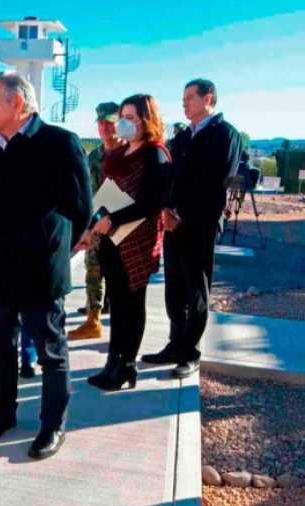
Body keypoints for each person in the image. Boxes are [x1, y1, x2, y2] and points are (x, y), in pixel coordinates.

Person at [0, 72, 91, 459]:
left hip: (40, 269)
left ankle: (52, 425)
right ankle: (4, 414)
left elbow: (81, 208)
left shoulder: (59, 143)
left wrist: (54, 249)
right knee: (0, 345)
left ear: (17, 103)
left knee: (50, 351)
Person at [142, 79, 241, 378]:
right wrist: (166, 209)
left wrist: (181, 213)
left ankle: (190, 353)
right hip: (173, 223)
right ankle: (175, 344)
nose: (184, 103)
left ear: (208, 98)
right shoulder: (184, 137)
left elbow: (216, 180)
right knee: (174, 288)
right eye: (183, 98)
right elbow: (169, 176)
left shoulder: (224, 134)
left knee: (196, 289)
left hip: (200, 224)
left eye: (190, 98)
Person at [76, 94, 172, 390]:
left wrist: (113, 219)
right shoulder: (119, 153)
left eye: (130, 118)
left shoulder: (155, 154)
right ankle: (113, 363)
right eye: (123, 118)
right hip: (112, 241)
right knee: (117, 306)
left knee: (132, 304)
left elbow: (153, 202)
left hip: (136, 243)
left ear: (147, 120)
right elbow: (105, 196)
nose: (124, 124)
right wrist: (93, 226)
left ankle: (127, 365)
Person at [67, 101, 124, 341]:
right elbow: (88, 192)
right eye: (101, 123)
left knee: (121, 276)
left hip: (124, 224)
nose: (105, 127)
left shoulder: (130, 154)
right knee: (93, 270)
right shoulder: (94, 157)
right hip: (98, 223)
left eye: (109, 122)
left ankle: (123, 326)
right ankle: (93, 320)